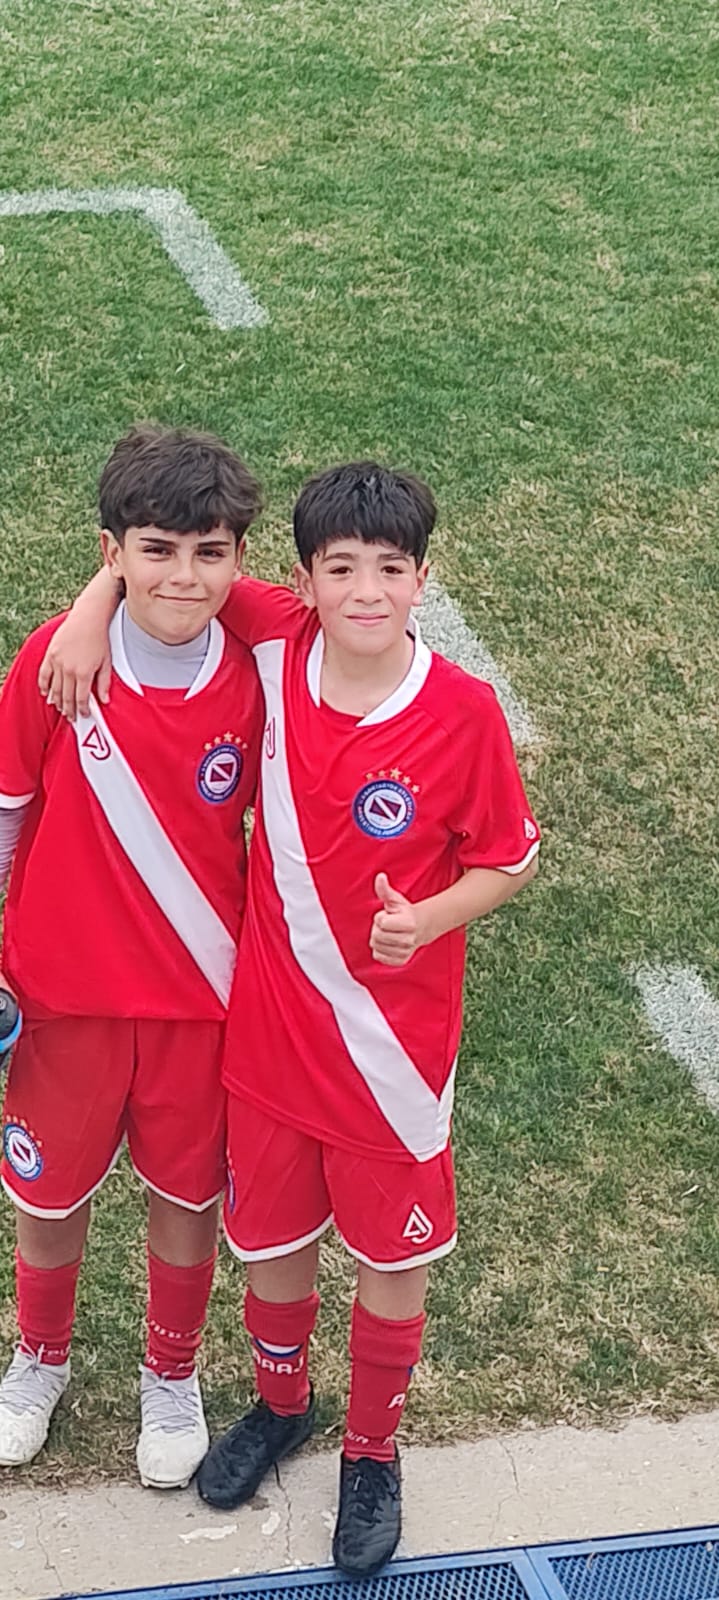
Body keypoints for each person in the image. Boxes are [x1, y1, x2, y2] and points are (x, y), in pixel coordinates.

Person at [41, 460, 539, 1576]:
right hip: (265, 1041)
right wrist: (87, 609)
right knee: (270, 1243)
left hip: (391, 1057)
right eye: (340, 570)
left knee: (388, 1259)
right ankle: (281, 1404)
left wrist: (429, 919)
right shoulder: (273, 643)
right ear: (303, 583)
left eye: (391, 570)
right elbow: (168, 561)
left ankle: (372, 1450)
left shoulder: (461, 713)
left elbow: (507, 857)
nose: (366, 592)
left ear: (423, 581)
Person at [0, 425, 263, 1489]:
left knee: (185, 1195)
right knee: (47, 1194)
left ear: (238, 559)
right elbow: (7, 808)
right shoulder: (52, 660)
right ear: (111, 552)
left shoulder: (256, 676)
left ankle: (171, 1372)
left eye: (208, 552)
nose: (183, 576)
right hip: (64, 998)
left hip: (200, 1000)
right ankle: (38, 1359)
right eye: (155, 551)